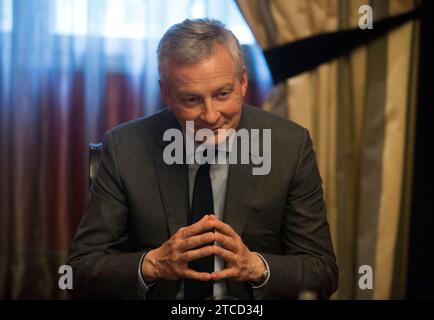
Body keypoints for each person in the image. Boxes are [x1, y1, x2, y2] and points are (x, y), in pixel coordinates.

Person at [67, 19, 338, 300]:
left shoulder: (289, 146)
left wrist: (257, 266)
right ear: (167, 94)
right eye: (192, 100)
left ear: (243, 82)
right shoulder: (125, 148)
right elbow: (79, 271)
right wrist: (152, 264)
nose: (210, 116)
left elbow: (323, 272)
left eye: (222, 94)